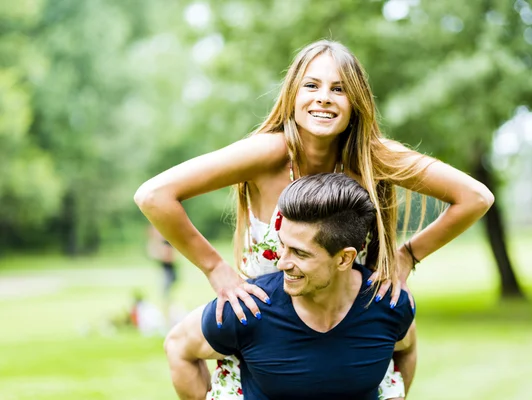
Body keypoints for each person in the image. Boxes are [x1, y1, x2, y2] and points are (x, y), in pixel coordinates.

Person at [135, 39, 494, 398]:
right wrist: (214, 268)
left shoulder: (373, 159)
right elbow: (154, 196)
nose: (323, 97)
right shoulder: (267, 153)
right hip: (266, 332)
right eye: (311, 85)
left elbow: (475, 197)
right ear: (292, 94)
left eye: (338, 89)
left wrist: (406, 255)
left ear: (356, 102)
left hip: (346, 323)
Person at [164, 173, 416, 400]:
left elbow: (407, 347)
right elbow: (177, 345)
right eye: (282, 245)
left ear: (344, 258)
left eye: (300, 253)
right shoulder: (249, 309)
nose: (282, 262)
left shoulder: (387, 304)